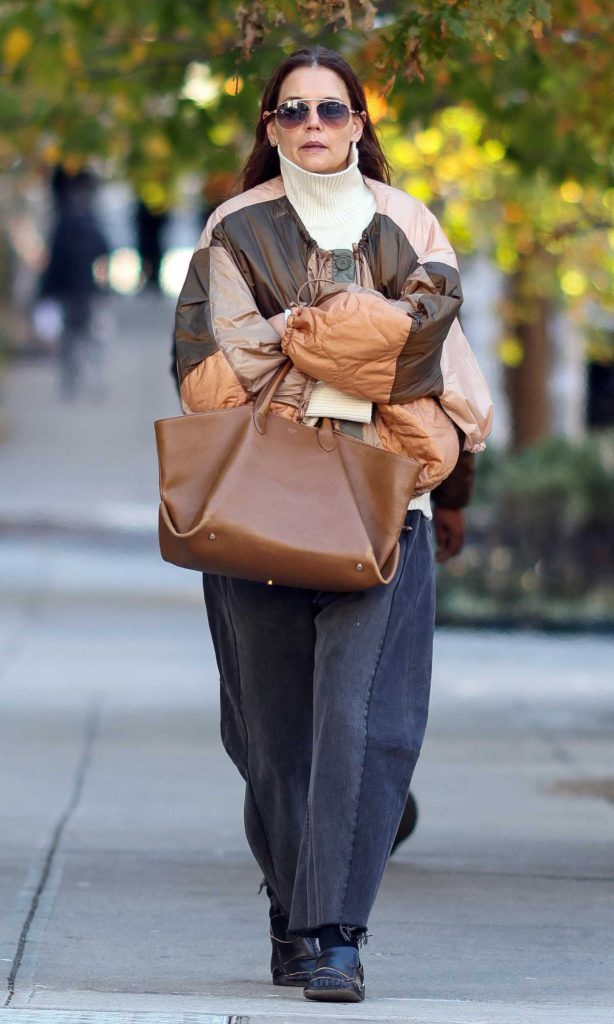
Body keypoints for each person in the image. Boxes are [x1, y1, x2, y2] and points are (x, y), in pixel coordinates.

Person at [173, 46, 492, 1003]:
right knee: (270, 732)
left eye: (331, 109)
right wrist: (358, 335)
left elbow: (439, 368)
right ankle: (289, 907)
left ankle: (336, 933)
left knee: (370, 722)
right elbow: (209, 378)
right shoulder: (232, 229)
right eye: (293, 111)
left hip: (389, 503)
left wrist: (301, 343)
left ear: (359, 123)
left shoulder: (411, 223)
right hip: (259, 503)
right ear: (270, 128)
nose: (313, 124)